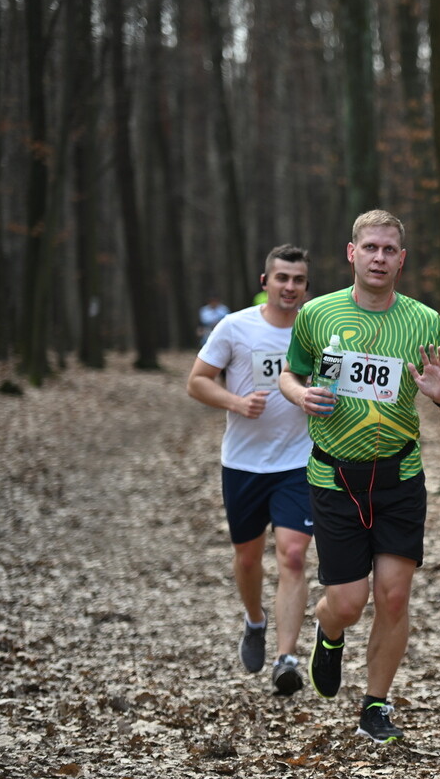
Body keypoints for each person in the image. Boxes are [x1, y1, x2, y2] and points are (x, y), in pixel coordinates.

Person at [279, 209, 440, 744]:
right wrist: (299, 393)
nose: (380, 258)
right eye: (371, 248)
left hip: (399, 476)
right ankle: (329, 630)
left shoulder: (425, 322)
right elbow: (290, 374)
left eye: (390, 250)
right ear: (352, 253)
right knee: (348, 601)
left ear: (402, 259)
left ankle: (376, 704)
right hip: (335, 476)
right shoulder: (316, 314)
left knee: (393, 596)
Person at [186, 245, 315, 696]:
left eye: (298, 280)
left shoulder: (316, 330)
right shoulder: (235, 326)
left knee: (294, 555)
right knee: (247, 557)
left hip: (299, 462)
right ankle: (254, 620)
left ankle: (286, 658)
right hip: (242, 462)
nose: (290, 287)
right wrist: (237, 402)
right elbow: (197, 381)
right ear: (266, 283)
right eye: (282, 278)